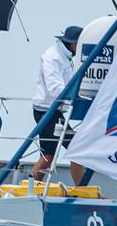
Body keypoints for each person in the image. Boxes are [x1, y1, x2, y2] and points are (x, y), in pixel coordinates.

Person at [31, 25, 85, 184]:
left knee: (48, 154)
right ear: (73, 43)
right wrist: (76, 100)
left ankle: (31, 188)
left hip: (52, 110)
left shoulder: (64, 55)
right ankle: (82, 191)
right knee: (78, 148)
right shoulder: (53, 58)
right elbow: (55, 89)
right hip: (48, 111)